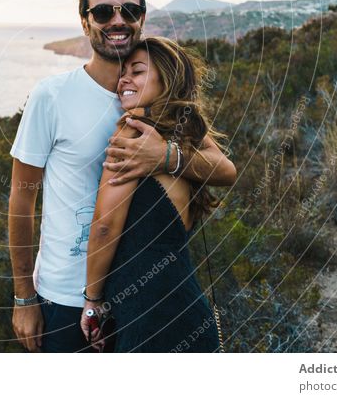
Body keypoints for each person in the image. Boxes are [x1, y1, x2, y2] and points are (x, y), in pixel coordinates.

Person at [8, 0, 237, 353]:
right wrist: (24, 298)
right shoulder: (52, 95)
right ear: (85, 23)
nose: (117, 20)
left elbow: (224, 169)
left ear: (142, 18)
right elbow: (21, 200)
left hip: (137, 299)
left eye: (128, 11)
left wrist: (165, 155)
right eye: (102, 12)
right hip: (66, 299)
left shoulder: (159, 101)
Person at [80, 36, 227, 352]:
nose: (124, 80)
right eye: (124, 73)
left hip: (149, 317)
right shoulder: (186, 133)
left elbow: (105, 226)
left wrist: (92, 300)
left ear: (167, 79)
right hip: (186, 308)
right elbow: (226, 169)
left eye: (138, 71)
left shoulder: (132, 132)